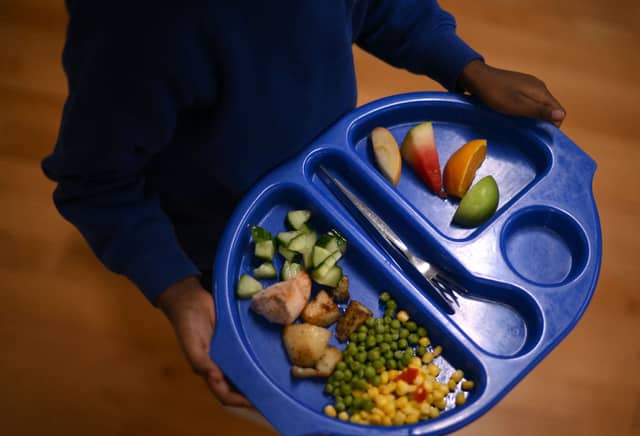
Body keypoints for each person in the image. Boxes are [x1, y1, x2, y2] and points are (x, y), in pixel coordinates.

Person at [42, 0, 565, 408]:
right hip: (217, 239)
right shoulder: (135, 27)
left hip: (331, 185)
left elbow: (382, 8)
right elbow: (95, 182)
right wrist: (176, 290)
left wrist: (466, 68)